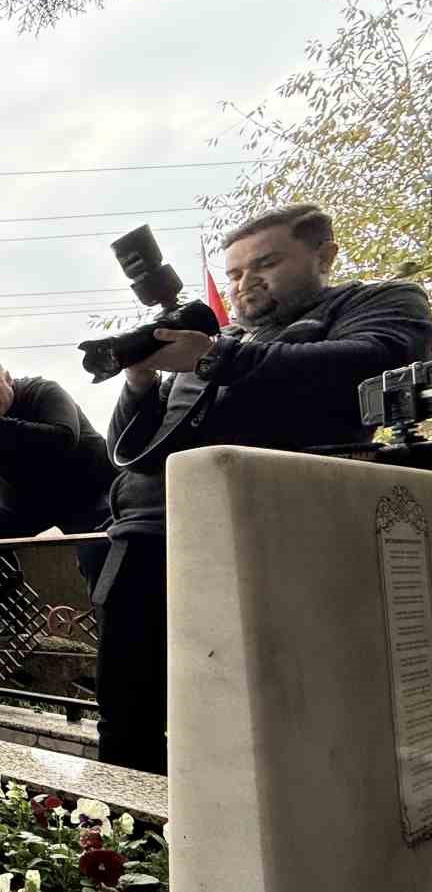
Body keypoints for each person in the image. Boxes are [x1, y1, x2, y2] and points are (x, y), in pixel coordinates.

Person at [96, 203, 432, 774]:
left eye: (266, 263)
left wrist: (213, 358)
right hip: (151, 533)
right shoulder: (218, 339)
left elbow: (374, 358)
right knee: (128, 709)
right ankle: (133, 836)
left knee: (267, 704)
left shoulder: (376, 301)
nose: (246, 282)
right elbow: (128, 445)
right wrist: (140, 377)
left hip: (276, 529)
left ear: (323, 254)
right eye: (233, 272)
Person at [0, 356, 116, 551]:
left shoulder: (43, 392)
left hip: (84, 494)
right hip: (22, 506)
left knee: (95, 553)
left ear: (8, 379)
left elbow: (64, 438)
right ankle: (10, 583)